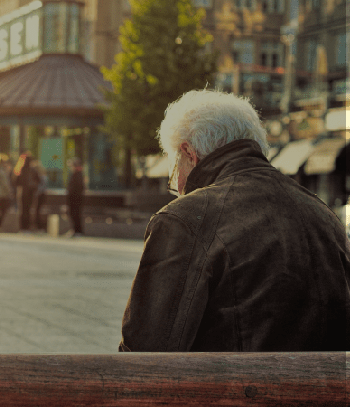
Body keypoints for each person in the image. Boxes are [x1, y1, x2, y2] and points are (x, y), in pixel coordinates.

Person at [120, 90, 350, 352]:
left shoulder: (184, 220)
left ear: (189, 153)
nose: (178, 185)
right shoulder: (324, 216)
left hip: (230, 391)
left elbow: (145, 353)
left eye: (175, 170)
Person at [14, 152, 40, 231]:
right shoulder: (33, 170)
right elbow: (39, 180)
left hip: (22, 192)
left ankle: (22, 227)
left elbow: (15, 181)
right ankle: (27, 226)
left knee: (23, 210)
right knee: (28, 209)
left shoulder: (20, 169)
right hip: (31, 192)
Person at [66, 157, 84, 237]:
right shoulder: (76, 174)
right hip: (74, 198)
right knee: (74, 214)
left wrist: (71, 193)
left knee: (75, 214)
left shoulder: (78, 174)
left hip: (75, 198)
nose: (71, 167)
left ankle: (77, 231)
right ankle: (75, 230)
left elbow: (78, 187)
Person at [32, 160, 48, 231]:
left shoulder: (41, 176)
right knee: (37, 210)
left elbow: (42, 187)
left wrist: (36, 192)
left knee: (38, 210)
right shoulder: (42, 176)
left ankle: (39, 226)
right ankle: (38, 225)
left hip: (40, 195)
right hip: (41, 194)